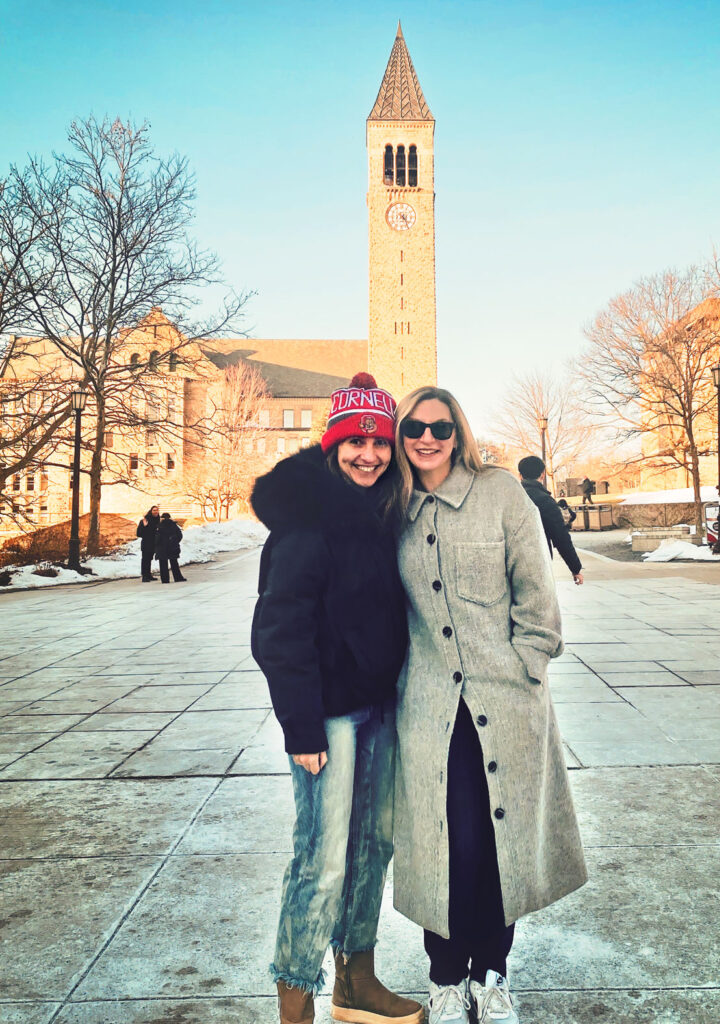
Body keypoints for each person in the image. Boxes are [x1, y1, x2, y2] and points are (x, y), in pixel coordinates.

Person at [392, 387, 587, 1024]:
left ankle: (492, 973)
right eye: (415, 427)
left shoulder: (501, 493)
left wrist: (528, 666)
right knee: (447, 846)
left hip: (504, 706)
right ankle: (446, 978)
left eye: (440, 428)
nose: (427, 438)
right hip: (429, 710)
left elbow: (538, 594)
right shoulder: (391, 507)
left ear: (458, 432)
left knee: (502, 844)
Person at [250, 372, 423, 1024]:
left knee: (371, 851)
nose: (369, 455)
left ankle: (357, 983)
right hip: (327, 718)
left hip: (378, 711)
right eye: (355, 443)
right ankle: (296, 1001)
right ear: (333, 445)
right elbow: (277, 630)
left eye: (380, 445)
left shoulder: (383, 512)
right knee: (321, 860)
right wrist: (301, 727)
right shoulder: (307, 524)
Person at [518, 456, 583, 585]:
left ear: (520, 475)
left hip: (511, 562)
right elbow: (560, 537)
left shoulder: (512, 497)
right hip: (539, 559)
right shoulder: (545, 500)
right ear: (542, 475)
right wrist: (575, 568)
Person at [155, 512, 187, 583]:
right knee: (174, 563)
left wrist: (157, 545)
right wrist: (175, 542)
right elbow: (179, 535)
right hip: (172, 546)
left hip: (162, 548)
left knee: (163, 564)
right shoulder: (174, 525)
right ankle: (178, 577)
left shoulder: (159, 526)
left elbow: (156, 538)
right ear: (169, 517)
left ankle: (165, 579)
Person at [136, 505, 160, 582]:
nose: (156, 512)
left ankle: (148, 575)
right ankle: (144, 576)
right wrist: (145, 526)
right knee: (145, 560)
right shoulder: (145, 520)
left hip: (154, 543)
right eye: (154, 510)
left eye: (157, 510)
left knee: (149, 559)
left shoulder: (158, 520)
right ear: (151, 511)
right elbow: (139, 533)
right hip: (146, 543)